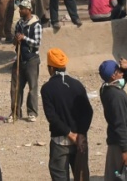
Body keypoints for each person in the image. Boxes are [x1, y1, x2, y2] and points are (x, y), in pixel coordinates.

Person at [40, 48, 92, 181]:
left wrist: (69, 134)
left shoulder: (47, 89)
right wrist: (80, 134)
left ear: (51, 68)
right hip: (80, 142)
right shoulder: (77, 85)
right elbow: (88, 112)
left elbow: (51, 117)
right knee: (81, 177)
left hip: (60, 142)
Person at [98, 60, 127, 181]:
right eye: (119, 71)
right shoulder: (116, 96)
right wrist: (125, 150)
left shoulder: (106, 89)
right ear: (113, 75)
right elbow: (120, 124)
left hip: (117, 142)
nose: (122, 74)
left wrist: (125, 69)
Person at [12, 0, 41, 122]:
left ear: (29, 10)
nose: (20, 10)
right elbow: (14, 39)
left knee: (32, 87)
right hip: (19, 58)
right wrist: (16, 40)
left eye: (22, 8)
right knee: (15, 86)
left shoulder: (36, 25)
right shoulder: (19, 24)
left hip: (31, 59)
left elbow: (37, 43)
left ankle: (32, 112)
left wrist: (24, 38)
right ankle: (15, 112)